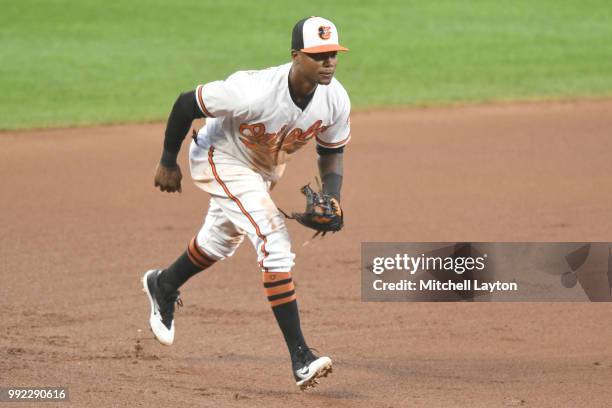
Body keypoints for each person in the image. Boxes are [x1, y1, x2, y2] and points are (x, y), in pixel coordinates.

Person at [142, 16, 350, 390]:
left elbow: (332, 152)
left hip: (263, 170)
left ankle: (163, 285)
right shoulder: (251, 91)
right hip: (218, 157)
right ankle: (301, 356)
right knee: (274, 240)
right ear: (295, 56)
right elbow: (186, 102)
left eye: (333, 54)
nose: (329, 62)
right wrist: (168, 160)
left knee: (220, 241)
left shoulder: (335, 98)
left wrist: (333, 197)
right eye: (319, 55)